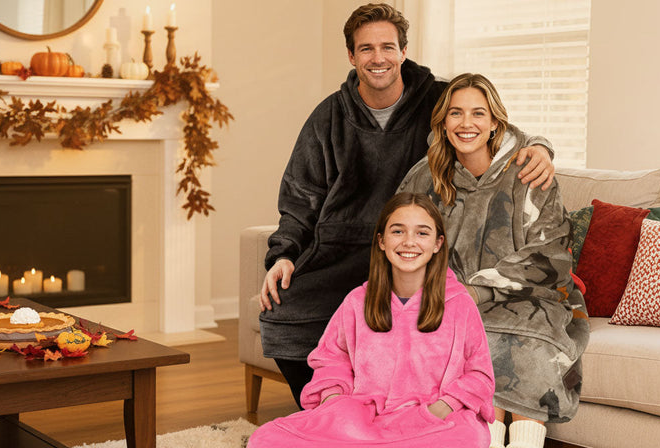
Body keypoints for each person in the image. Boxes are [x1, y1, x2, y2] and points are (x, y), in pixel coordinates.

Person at [258, 2, 556, 408]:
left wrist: (539, 144)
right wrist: (284, 254)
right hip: (339, 247)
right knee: (283, 310)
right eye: (366, 49)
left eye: (387, 47)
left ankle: (385, 407)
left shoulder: (435, 97)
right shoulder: (329, 116)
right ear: (351, 55)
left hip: (409, 245)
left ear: (403, 51)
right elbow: (299, 199)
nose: (378, 58)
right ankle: (332, 409)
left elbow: (487, 125)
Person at [397, 73, 590, 448]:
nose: (466, 124)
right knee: (468, 354)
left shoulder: (529, 171)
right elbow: (401, 241)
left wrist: (478, 291)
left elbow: (549, 255)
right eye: (456, 113)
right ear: (443, 122)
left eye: (478, 114)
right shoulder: (424, 177)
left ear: (495, 122)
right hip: (452, 301)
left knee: (526, 350)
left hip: (533, 299)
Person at [248, 192, 496, 448]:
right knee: (266, 439)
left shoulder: (459, 303)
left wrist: (440, 409)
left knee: (468, 437)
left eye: (422, 233)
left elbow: (479, 375)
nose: (409, 242)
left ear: (437, 243)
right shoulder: (357, 301)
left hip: (429, 420)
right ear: (381, 241)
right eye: (398, 231)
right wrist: (334, 402)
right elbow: (332, 359)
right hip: (361, 419)